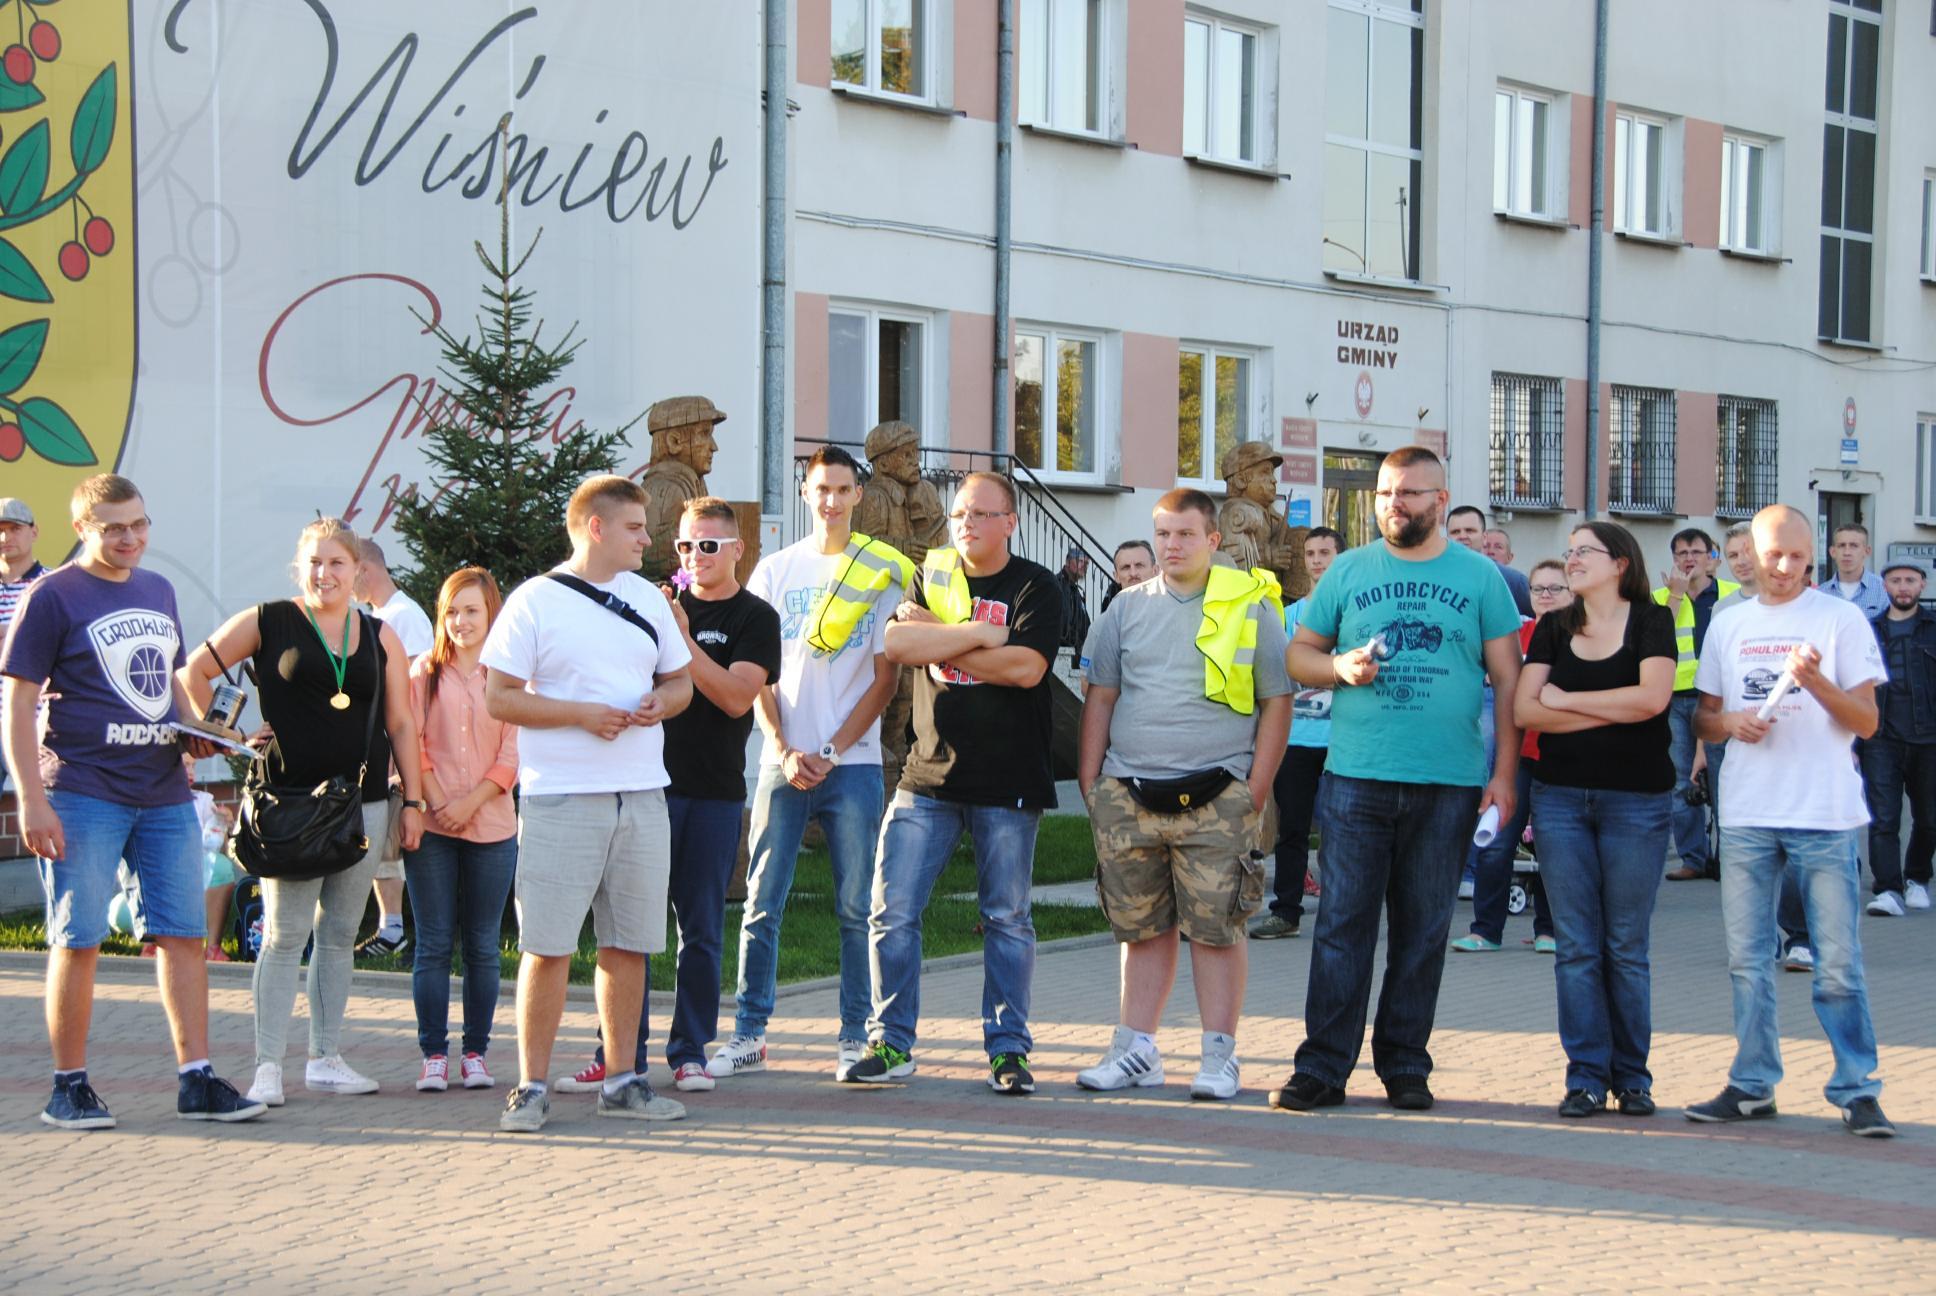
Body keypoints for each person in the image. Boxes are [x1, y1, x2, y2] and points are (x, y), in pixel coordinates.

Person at [3, 474, 265, 1128]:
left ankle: (197, 1078)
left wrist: (196, 731)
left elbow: (167, 684)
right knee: (79, 938)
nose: (130, 538)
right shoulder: (51, 595)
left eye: (139, 524)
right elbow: (19, 702)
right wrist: (31, 798)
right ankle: (68, 1087)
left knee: (184, 934)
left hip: (163, 791)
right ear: (82, 529)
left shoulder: (158, 590)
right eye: (114, 527)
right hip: (82, 791)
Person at [1271, 448, 1522, 1114]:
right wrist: (1338, 669)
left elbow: (1509, 681)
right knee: (1341, 927)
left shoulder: (1481, 577)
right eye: (1385, 493)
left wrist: (1504, 775)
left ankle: (1405, 1063)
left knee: (1423, 931)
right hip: (1357, 778)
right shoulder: (1349, 570)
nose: (1393, 505)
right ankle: (1322, 1067)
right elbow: (1299, 654)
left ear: (1441, 500)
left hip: (1448, 782)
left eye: (1408, 493)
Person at [184, 516, 426, 1108]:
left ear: (357, 570)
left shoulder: (380, 635)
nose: (325, 574)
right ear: (301, 567)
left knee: (340, 934)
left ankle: (325, 1057)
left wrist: (415, 803)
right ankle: (268, 1067)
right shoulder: (269, 620)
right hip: (289, 804)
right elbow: (194, 671)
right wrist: (228, 735)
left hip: (364, 803)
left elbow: (401, 723)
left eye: (337, 563)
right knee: (284, 936)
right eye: (315, 563)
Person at [480, 475, 693, 1132]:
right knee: (547, 947)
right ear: (595, 528)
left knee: (629, 945)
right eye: (635, 528)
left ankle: (624, 1081)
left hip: (642, 794)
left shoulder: (648, 599)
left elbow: (681, 681)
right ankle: (530, 1088)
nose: (648, 539)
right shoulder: (534, 601)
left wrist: (663, 702)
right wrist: (580, 714)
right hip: (562, 796)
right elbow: (499, 697)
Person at [556, 497, 781, 1096]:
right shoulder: (649, 603)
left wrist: (682, 638)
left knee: (700, 928)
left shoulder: (755, 617)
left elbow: (736, 697)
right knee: (626, 928)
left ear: (737, 550)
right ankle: (618, 1054)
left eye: (708, 545)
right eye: (685, 545)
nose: (694, 556)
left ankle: (689, 1052)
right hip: (642, 786)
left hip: (712, 793)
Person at [848, 472, 1063, 1091]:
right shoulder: (933, 573)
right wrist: (976, 634)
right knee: (891, 911)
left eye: (981, 513)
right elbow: (898, 642)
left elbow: (1025, 669)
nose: (966, 523)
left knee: (1006, 918)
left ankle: (1008, 1051)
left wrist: (939, 640)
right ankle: (891, 1042)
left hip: (1008, 778)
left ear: (1010, 522)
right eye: (960, 512)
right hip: (928, 775)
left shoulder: (1035, 586)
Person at [1077, 488, 1290, 1099]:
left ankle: (1219, 1058)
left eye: (1186, 534)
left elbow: (1277, 702)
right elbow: (1101, 697)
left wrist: (1254, 790)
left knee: (1218, 930)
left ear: (1213, 540)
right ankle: (1136, 1049)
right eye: (1163, 534)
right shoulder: (1124, 609)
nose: (1172, 546)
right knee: (1140, 929)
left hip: (1219, 796)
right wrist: (1093, 786)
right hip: (1130, 794)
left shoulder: (1250, 607)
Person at [1689, 504, 1893, 1138]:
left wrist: (1816, 682)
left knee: (1837, 963)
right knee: (1748, 962)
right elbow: (1704, 718)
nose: (1784, 567)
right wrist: (1729, 724)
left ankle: (1857, 1089)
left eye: (1798, 557)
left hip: (1824, 814)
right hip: (1748, 813)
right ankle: (1753, 1085)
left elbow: (1867, 722)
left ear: (1814, 556)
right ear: (1750, 553)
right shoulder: (1729, 623)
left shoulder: (1841, 619)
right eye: (1773, 554)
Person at [712, 445, 909, 1082]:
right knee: (762, 903)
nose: (831, 500)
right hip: (783, 762)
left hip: (852, 765)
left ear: (858, 496)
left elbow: (885, 680)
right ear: (806, 493)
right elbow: (758, 674)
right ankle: (749, 1034)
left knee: (856, 908)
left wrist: (829, 751)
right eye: (821, 489)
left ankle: (855, 1036)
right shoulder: (775, 571)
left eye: (842, 490)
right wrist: (781, 745)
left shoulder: (877, 573)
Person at [1513, 523, 1676, 1118]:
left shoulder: (1652, 620)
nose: (1573, 559)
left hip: (1637, 801)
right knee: (1576, 947)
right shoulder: (1554, 627)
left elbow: (1652, 701)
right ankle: (1584, 1077)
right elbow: (1525, 709)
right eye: (1570, 551)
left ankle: (1632, 1078)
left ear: (1620, 562)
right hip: (1559, 801)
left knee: (1625, 945)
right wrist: (1611, 710)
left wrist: (1566, 701)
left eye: (1585, 551)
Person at [402, 567, 519, 1093]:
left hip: (492, 827)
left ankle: (476, 1052)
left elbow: (513, 753)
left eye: (471, 610)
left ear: (491, 613)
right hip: (433, 828)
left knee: (482, 945)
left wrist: (470, 802)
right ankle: (433, 1054)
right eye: (451, 611)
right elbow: (411, 742)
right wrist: (438, 801)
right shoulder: (422, 673)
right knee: (432, 943)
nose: (460, 621)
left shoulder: (510, 675)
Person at [1452, 558, 1564, 954]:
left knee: (1553, 846)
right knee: (1497, 842)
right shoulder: (1517, 636)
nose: (1546, 595)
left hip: (1562, 758)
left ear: (1572, 594)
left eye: (1556, 588)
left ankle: (1550, 930)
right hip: (1517, 756)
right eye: (1538, 589)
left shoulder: (1580, 638)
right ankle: (1485, 930)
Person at [1253, 526, 1345, 941]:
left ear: (1341, 558)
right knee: (1292, 829)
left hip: (1343, 739)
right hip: (1296, 738)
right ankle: (1286, 911)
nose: (1316, 561)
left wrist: (1314, 670)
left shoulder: (1352, 615)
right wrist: (1328, 672)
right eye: (1310, 553)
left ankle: (1342, 912)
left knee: (1342, 830)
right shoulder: (1289, 616)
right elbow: (1282, 671)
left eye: (1325, 552)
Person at [352, 538, 433, 959]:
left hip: (395, 751)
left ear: (365, 569)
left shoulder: (404, 617)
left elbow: (417, 694)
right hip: (377, 747)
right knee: (378, 841)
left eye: (348, 572)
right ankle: (390, 926)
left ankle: (394, 928)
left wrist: (402, 760)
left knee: (388, 843)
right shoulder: (379, 617)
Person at [1653, 528, 1738, 882]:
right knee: (1679, 780)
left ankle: (1729, 857)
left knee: (1722, 778)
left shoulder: (1732, 594)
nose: (1689, 559)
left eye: (1696, 552)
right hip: (1676, 697)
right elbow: (1656, 636)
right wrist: (1675, 595)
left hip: (1718, 697)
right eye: (1682, 553)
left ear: (1711, 557)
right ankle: (1693, 858)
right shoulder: (1660, 596)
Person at [1856, 559, 1936, 916]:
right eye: (1895, 580)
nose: (1903, 587)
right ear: (1884, 586)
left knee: (1929, 818)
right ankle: (1888, 889)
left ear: (1922, 585)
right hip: (1880, 738)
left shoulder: (1933, 628)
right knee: (1883, 818)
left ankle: (1917, 878)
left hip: (1929, 738)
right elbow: (1854, 685)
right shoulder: (1868, 631)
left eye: (1910, 580)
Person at [1448, 505, 1533, 617]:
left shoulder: (1514, 582)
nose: (1462, 536)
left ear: (1484, 538)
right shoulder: (1436, 576)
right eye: (1455, 532)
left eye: (1470, 530)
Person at [1818, 524, 1889, 621]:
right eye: (1841, 546)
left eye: (1854, 546)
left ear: (1867, 551)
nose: (1847, 552)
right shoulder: (1821, 593)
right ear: (1833, 552)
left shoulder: (1883, 591)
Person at [0, 495, 46, 639]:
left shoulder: (53, 584)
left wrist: (12, 637)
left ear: (34, 532)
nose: (5, 538)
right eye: (0, 531)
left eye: (15, 529)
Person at [1100, 539, 1155, 614]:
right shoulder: (1111, 615)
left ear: (1155, 571)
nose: (1133, 573)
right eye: (1126, 567)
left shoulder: (1170, 610)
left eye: (1139, 565)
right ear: (1116, 576)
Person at [1058, 546, 1093, 652]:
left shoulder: (1075, 590)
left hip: (1077, 650)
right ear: (1068, 562)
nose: (1084, 566)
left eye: (1086, 563)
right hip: (1066, 648)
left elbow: (1085, 624)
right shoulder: (1058, 585)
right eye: (1080, 561)